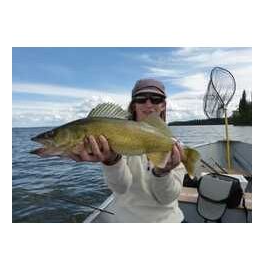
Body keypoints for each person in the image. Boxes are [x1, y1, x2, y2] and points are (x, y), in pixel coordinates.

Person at [68, 78, 186, 222]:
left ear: (163, 105)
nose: (148, 104)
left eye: (156, 99)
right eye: (141, 98)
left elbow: (167, 197)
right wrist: (112, 161)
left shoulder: (173, 146)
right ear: (134, 105)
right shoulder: (116, 136)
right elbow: (121, 188)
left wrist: (163, 172)